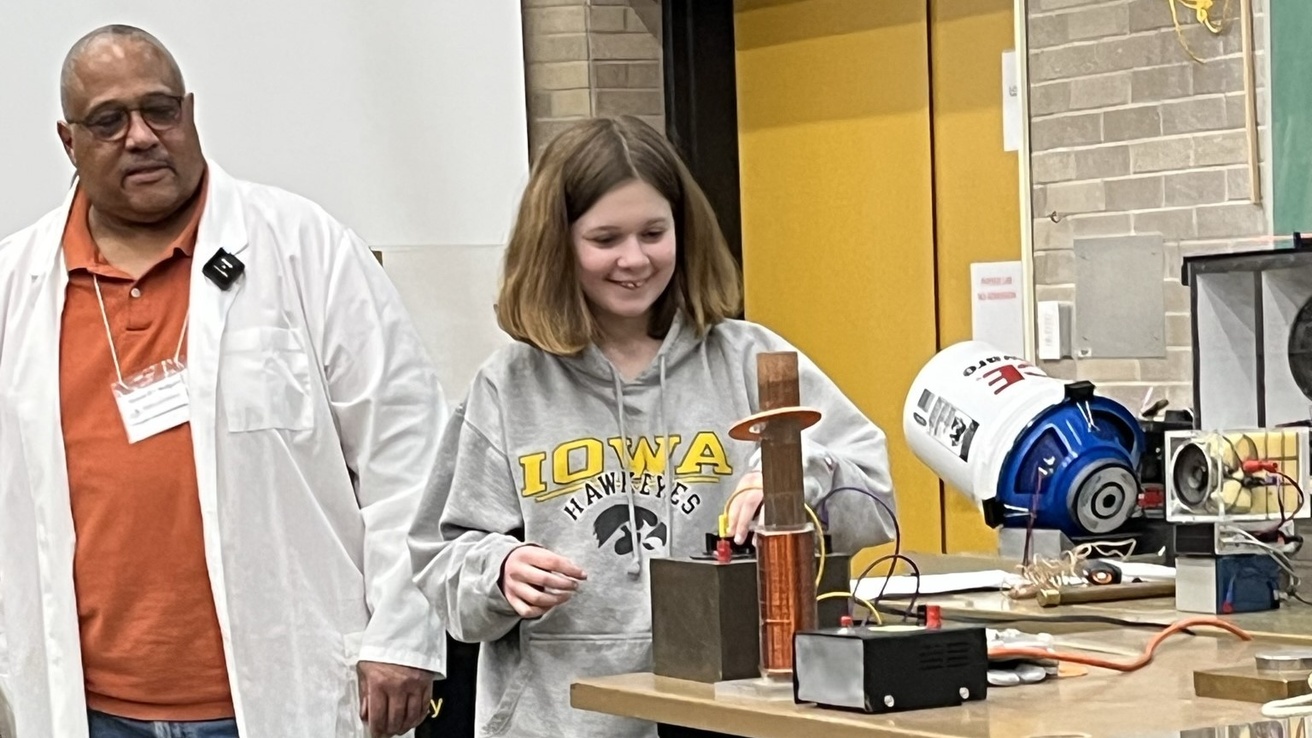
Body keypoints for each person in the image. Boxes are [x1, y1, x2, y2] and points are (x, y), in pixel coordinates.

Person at [0, 25, 447, 738]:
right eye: (109, 121)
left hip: (283, 688)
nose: (141, 137)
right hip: (88, 707)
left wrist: (401, 633)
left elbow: (408, 451)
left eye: (160, 110)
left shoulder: (303, 246)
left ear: (189, 112)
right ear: (68, 141)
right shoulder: (15, 282)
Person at [408, 116, 898, 738]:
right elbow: (441, 560)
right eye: (605, 238)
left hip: (735, 717)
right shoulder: (509, 387)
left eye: (653, 233)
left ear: (683, 232)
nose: (634, 259)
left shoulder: (752, 361)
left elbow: (874, 503)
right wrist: (499, 572)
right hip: (559, 722)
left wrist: (790, 476)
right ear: (555, 244)